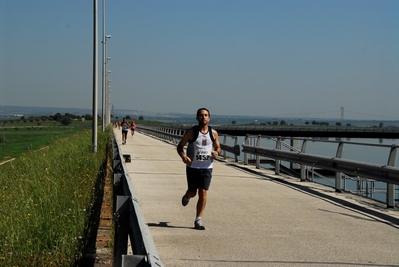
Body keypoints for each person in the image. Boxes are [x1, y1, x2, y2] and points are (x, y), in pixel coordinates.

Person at [176, 108, 221, 230]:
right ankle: (187, 195)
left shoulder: (214, 133)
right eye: (201, 115)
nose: (204, 117)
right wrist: (184, 156)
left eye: (206, 115)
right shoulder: (191, 132)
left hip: (207, 167)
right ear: (197, 117)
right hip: (193, 167)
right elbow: (180, 147)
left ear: (209, 118)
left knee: (203, 192)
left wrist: (216, 152)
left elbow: (218, 148)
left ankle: (198, 220)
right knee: (193, 193)